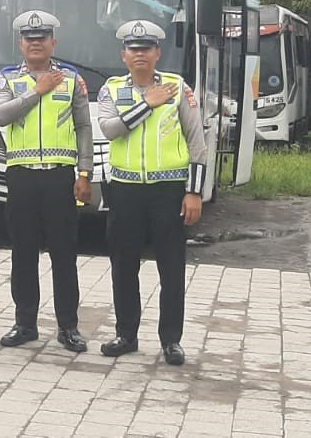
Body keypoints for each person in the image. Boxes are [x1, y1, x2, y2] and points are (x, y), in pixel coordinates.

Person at [97, 19, 207, 366]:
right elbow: (110, 129)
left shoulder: (177, 87)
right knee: (123, 265)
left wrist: (194, 192)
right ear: (123, 55)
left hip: (169, 191)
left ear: (158, 53)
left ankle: (171, 340)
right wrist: (148, 103)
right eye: (133, 48)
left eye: (146, 48)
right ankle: (126, 334)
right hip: (125, 190)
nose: (139, 53)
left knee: (171, 268)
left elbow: (197, 143)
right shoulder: (111, 90)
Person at [0, 11, 93, 353]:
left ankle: (68, 327)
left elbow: (84, 127)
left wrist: (84, 172)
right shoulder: (7, 79)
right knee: (22, 254)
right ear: (21, 44)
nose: (35, 43)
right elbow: (1, 115)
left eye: (42, 38)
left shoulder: (72, 79)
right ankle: (25, 323)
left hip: (59, 177)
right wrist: (36, 91)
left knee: (63, 254)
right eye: (29, 38)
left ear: (53, 42)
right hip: (21, 177)